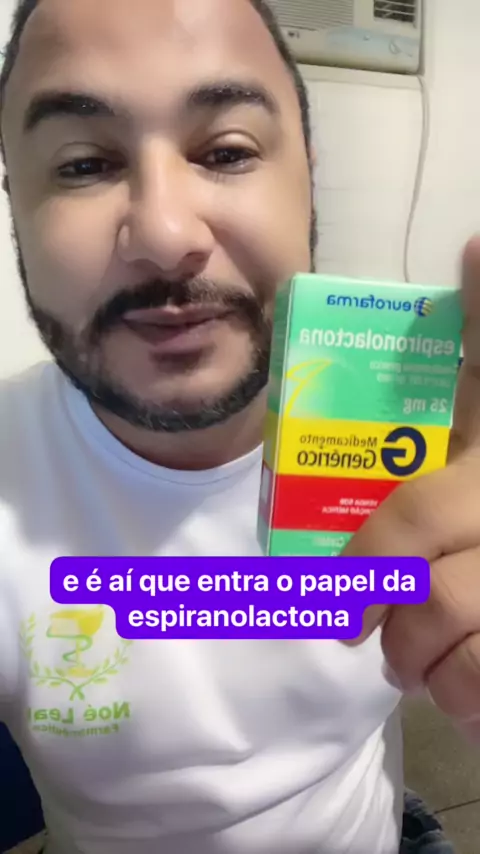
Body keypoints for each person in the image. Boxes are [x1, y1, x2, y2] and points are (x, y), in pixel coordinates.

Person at [0, 0, 479, 852]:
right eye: (83, 165)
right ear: (15, 206)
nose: (164, 234)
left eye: (226, 152)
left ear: (308, 177)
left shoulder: (434, 434)